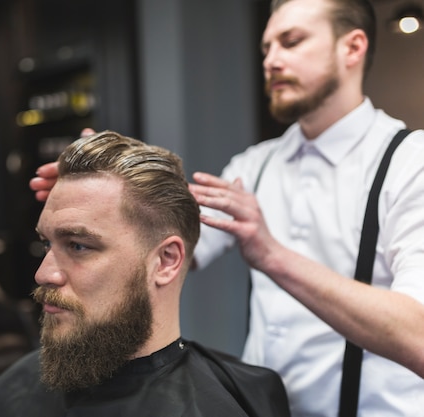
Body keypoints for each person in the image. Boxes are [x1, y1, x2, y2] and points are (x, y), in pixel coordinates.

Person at [29, 0, 424, 415]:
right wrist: (100, 198)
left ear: (352, 47)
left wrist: (273, 257)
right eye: (266, 48)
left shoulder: (409, 163)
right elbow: (164, 244)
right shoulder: (255, 166)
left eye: (291, 42)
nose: (272, 60)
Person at [0, 131, 290, 417]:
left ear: (165, 261)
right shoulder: (28, 376)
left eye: (77, 246)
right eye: (47, 243)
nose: (44, 274)